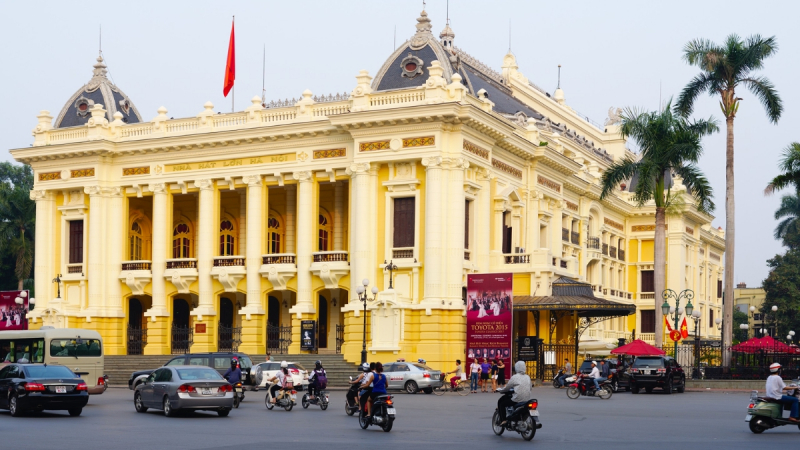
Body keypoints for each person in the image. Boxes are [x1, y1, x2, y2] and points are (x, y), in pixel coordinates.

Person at [496, 361, 533, 426]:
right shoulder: (528, 377)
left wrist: (501, 390)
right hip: (527, 399)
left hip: (517, 399)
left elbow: (507, 388)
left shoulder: (515, 377)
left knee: (502, 403)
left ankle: (504, 420)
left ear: (516, 368)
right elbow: (530, 388)